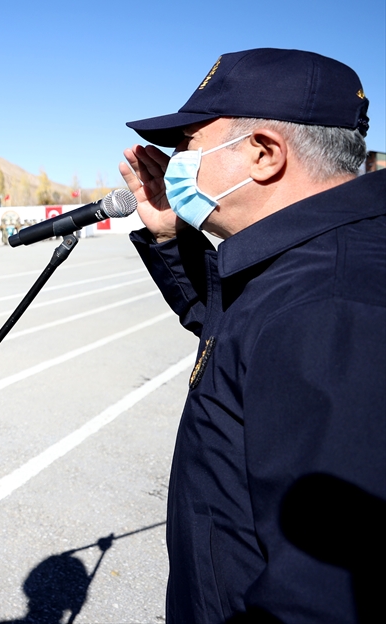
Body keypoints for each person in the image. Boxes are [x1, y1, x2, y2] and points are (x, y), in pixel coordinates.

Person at [120, 48, 383, 624]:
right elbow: (234, 334)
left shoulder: (334, 306)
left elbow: (325, 594)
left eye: (188, 144)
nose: (175, 161)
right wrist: (171, 238)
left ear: (264, 154)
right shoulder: (305, 264)